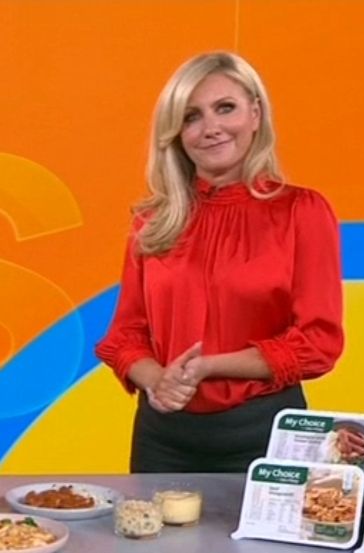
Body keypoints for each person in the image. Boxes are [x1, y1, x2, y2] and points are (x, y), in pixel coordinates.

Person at [95, 51, 344, 473]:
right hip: (163, 438)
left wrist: (208, 366)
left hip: (265, 433)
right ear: (176, 133)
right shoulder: (153, 221)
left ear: (255, 114)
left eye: (225, 108)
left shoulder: (301, 211)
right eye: (191, 117)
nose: (210, 128)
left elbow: (318, 342)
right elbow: (125, 335)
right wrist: (158, 381)